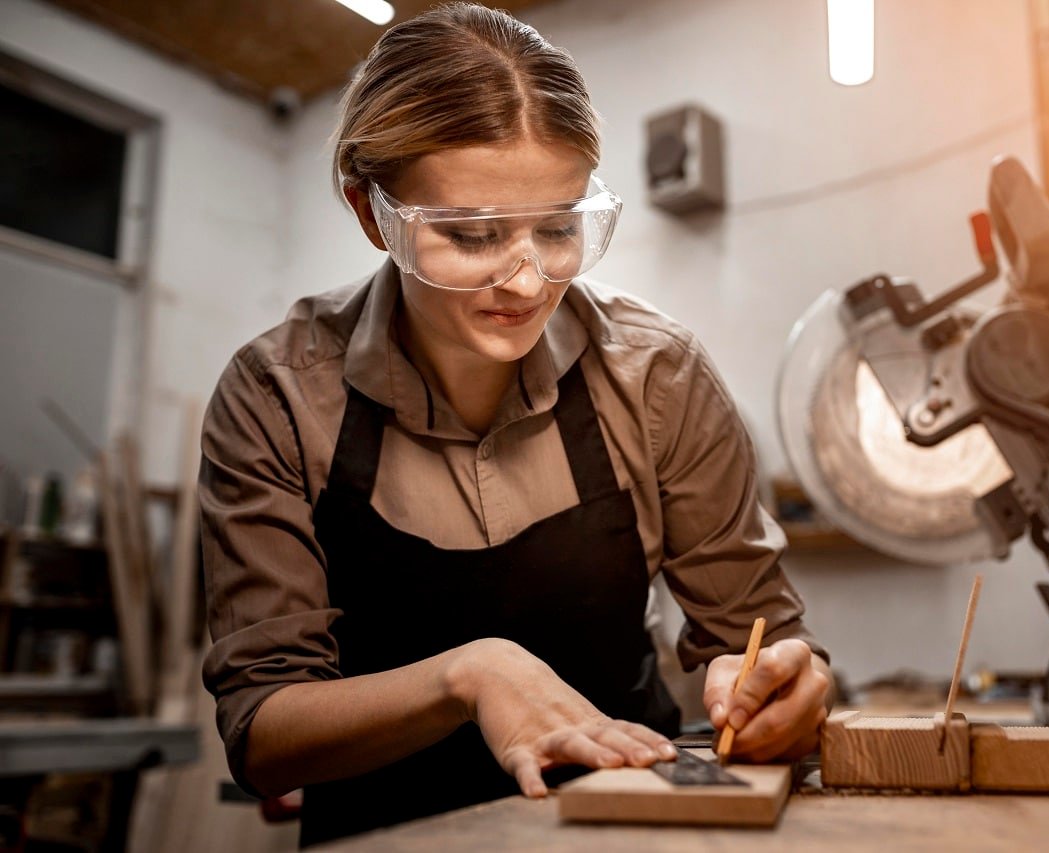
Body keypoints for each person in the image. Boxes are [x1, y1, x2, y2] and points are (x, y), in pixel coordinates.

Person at [199, 2, 833, 846]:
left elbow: (762, 636)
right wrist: (471, 673)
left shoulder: (655, 377)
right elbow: (262, 734)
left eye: (560, 228)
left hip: (622, 833)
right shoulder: (276, 395)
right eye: (472, 235)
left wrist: (789, 685)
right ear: (370, 212)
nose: (529, 281)